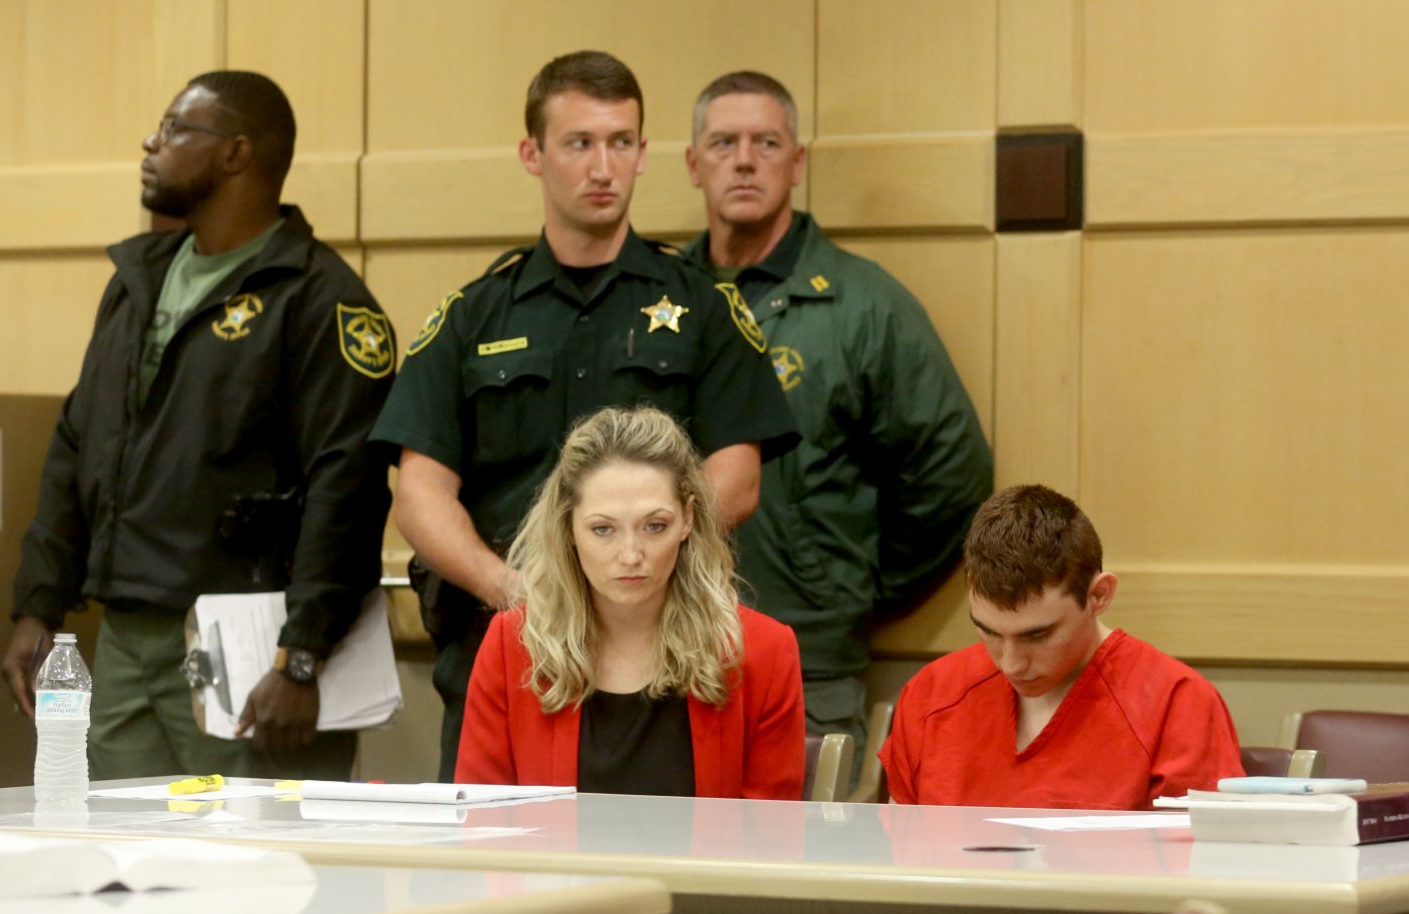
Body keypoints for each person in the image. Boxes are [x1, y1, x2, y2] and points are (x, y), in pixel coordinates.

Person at [369, 51, 799, 780]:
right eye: (580, 143)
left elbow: (736, 476)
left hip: (665, 655)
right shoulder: (474, 314)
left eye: (621, 142)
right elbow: (419, 492)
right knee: (495, 871)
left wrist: (635, 564)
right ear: (532, 155)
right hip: (503, 654)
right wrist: (510, 586)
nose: (604, 167)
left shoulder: (701, 307)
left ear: (642, 153)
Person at [1, 71, 394, 778]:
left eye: (176, 129)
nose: (152, 144)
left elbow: (349, 489)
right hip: (126, 634)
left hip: (250, 642)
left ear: (236, 155)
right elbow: (76, 448)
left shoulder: (318, 300)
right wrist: (39, 604)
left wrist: (301, 657)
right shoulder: (137, 280)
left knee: (250, 877)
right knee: (127, 867)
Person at [682, 71, 993, 755]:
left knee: (794, 853)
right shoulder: (658, 302)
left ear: (797, 163)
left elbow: (953, 471)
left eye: (767, 142)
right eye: (724, 142)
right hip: (657, 645)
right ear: (693, 163)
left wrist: (850, 587)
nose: (743, 159)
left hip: (807, 657)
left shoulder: (862, 305)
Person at [454, 406, 804, 798]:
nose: (631, 554)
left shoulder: (764, 652)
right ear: (568, 526)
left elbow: (772, 844)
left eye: (655, 526)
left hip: (703, 862)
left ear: (687, 519)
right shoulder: (511, 645)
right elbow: (481, 828)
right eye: (603, 529)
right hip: (550, 863)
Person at [880, 485, 1243, 809]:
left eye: (1037, 636)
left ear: (1099, 596)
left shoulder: (1177, 705)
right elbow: (898, 864)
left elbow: (1201, 872)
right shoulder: (932, 695)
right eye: (988, 632)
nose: (1011, 664)